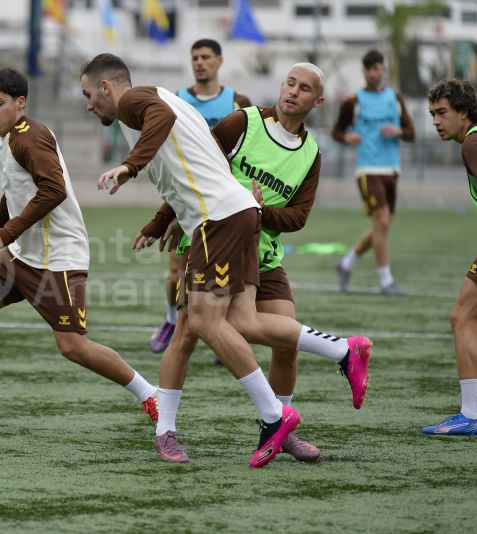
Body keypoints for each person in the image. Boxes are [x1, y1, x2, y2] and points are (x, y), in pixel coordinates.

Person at [80, 53, 372, 467]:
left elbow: (159, 119)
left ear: (107, 87)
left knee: (202, 321)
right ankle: (341, 352)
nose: (89, 105)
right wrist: (164, 218)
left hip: (217, 219)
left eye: (89, 94)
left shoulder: (136, 101)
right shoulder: (206, 110)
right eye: (290, 83)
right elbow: (197, 161)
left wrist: (128, 167)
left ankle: (275, 416)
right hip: (228, 217)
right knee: (226, 324)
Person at [139, 63, 350, 462]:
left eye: (304, 89)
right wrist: (161, 220)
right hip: (213, 243)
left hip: (264, 257)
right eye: (290, 83)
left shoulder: (311, 155)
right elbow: (193, 172)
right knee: (186, 334)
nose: (293, 92)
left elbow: (299, 218)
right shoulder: (243, 123)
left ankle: (280, 428)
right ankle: (166, 430)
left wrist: (259, 210)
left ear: (317, 101)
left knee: (286, 343)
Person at [0, 68, 159, 427]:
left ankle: (150, 394)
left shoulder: (31, 137)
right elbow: (14, 195)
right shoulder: (4, 143)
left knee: (73, 347)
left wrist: (6, 234)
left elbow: (53, 191)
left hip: (58, 258)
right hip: (22, 254)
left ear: (20, 103)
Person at [149, 38, 251, 354]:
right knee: (176, 271)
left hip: (225, 202)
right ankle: (170, 319)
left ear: (219, 61)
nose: (199, 62)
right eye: (195, 57)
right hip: (187, 200)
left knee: (230, 273)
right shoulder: (176, 100)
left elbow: (248, 148)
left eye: (206, 57)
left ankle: (225, 333)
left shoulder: (238, 102)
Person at [422, 79, 477, 436]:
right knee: (463, 314)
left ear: (464, 113)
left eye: (442, 113)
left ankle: (471, 416)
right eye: (433, 113)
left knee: (464, 315)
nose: (436, 121)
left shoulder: (474, 143)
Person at [332, 49, 415, 295]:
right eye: (369, 69)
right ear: (364, 72)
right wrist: (347, 137)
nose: (374, 73)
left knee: (382, 226)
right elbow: (336, 132)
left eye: (378, 68)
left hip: (391, 169)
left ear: (384, 70)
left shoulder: (394, 98)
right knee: (382, 220)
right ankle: (386, 281)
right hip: (368, 169)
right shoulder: (353, 101)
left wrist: (398, 131)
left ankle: (345, 264)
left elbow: (410, 132)